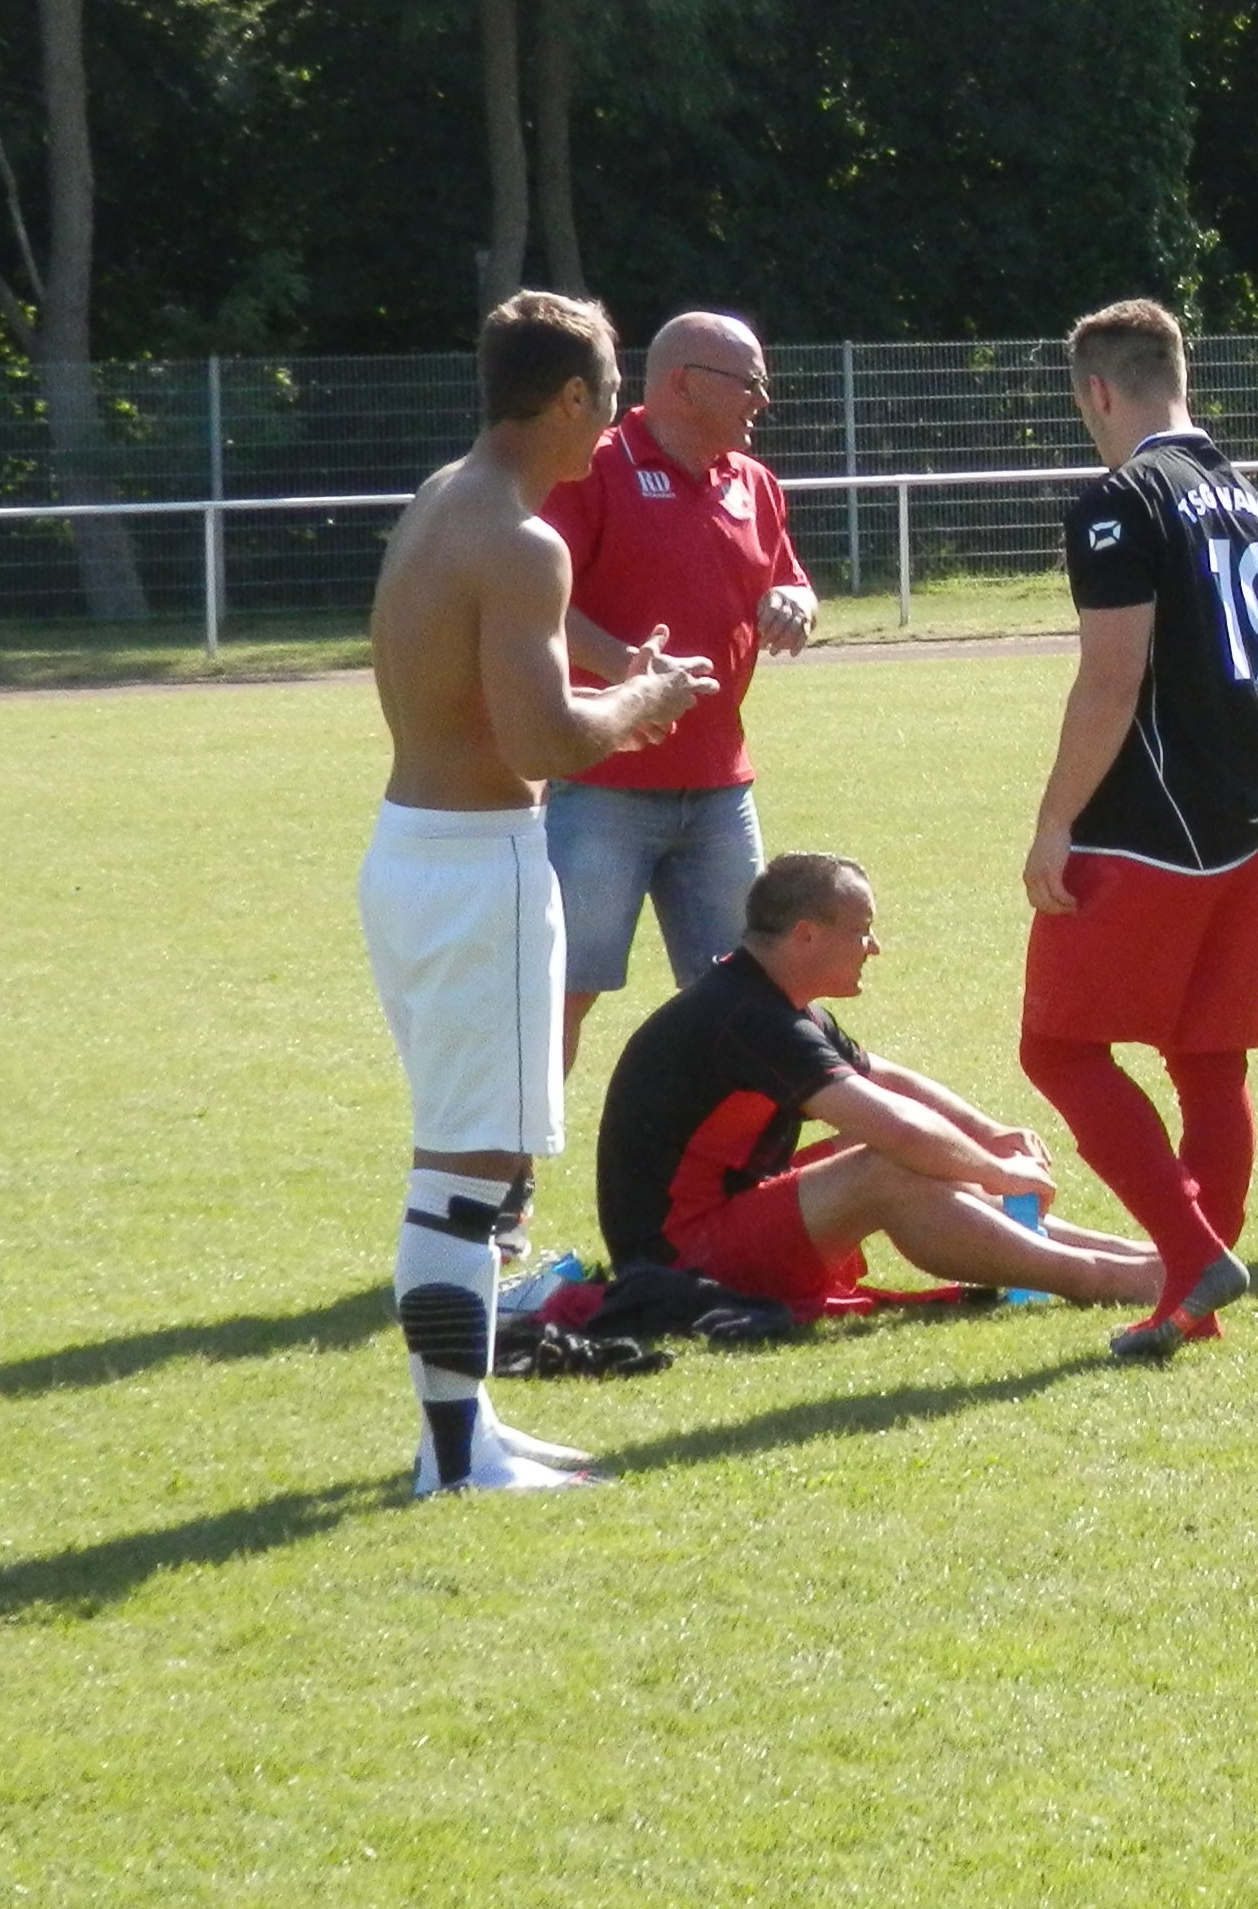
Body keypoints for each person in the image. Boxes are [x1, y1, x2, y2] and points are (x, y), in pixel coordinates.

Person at [362, 289, 718, 1495]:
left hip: (415, 851)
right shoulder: (522, 540)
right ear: (569, 397)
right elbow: (544, 741)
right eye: (611, 398)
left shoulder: (440, 501)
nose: (611, 426)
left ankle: (465, 1430)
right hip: (478, 865)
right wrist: (644, 704)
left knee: (473, 1163)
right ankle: (456, 1457)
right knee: (471, 1171)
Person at [1017, 299, 1258, 1364]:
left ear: (1097, 391)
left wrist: (1055, 823)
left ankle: (1191, 1257)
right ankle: (1198, 1299)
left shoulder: (1120, 498)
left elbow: (1110, 678)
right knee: (1211, 1065)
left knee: (1056, 1048)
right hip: (1249, 814)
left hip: (1149, 825)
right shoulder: (1248, 500)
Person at [597, 853, 1163, 1310]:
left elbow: (886, 1080)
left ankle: (1146, 1261)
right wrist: (998, 1171)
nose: (874, 947)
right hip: (678, 1257)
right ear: (806, 935)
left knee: (906, 1152)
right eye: (862, 931)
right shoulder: (750, 1018)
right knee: (888, 1166)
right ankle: (1106, 1280)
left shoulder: (769, 999)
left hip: (717, 1217)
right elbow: (892, 1126)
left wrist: (991, 1134)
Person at [539, 309, 820, 1070]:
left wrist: (799, 604)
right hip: (601, 780)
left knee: (754, 993)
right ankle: (512, 1175)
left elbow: (789, 577)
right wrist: (635, 672)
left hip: (721, 789)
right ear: (683, 385)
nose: (763, 398)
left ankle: (733, 1173)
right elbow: (539, 602)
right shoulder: (591, 465)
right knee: (561, 990)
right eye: (750, 383)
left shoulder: (754, 483)